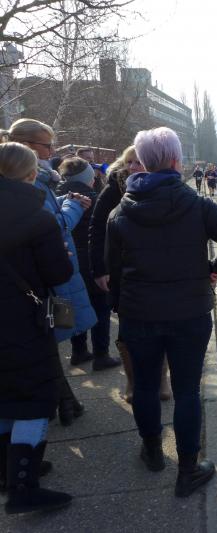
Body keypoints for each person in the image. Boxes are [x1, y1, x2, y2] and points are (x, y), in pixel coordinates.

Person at [106, 127, 217, 497]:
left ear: (143, 161)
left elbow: (114, 271)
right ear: (175, 160)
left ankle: (153, 451)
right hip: (189, 310)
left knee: (145, 385)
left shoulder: (120, 212)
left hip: (139, 312)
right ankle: (187, 469)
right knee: (187, 389)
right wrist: (216, 269)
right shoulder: (195, 204)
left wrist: (122, 309)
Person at [0, 142, 74, 514]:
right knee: (33, 400)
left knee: (3, 397)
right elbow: (58, 273)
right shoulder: (37, 216)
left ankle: (7, 469)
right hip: (22, 323)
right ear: (31, 175)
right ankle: (23, 486)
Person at [9, 118, 96, 426]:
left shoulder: (37, 179)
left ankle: (66, 400)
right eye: (47, 145)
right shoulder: (31, 181)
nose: (53, 151)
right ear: (28, 146)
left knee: (50, 342)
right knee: (47, 341)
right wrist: (74, 207)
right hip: (45, 281)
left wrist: (63, 201)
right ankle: (61, 403)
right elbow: (53, 226)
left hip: (40, 280)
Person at [89, 146, 171, 403]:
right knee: (127, 328)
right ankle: (132, 380)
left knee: (162, 324)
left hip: (157, 270)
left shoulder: (163, 187)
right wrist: (99, 269)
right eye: (129, 162)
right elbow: (96, 228)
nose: (134, 167)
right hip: (122, 270)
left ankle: (162, 378)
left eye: (139, 162)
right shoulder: (114, 188)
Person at [56, 157, 121, 371]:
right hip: (91, 262)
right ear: (87, 179)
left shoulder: (54, 197)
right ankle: (101, 354)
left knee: (74, 306)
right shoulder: (93, 199)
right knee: (100, 308)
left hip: (66, 262)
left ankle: (79, 351)